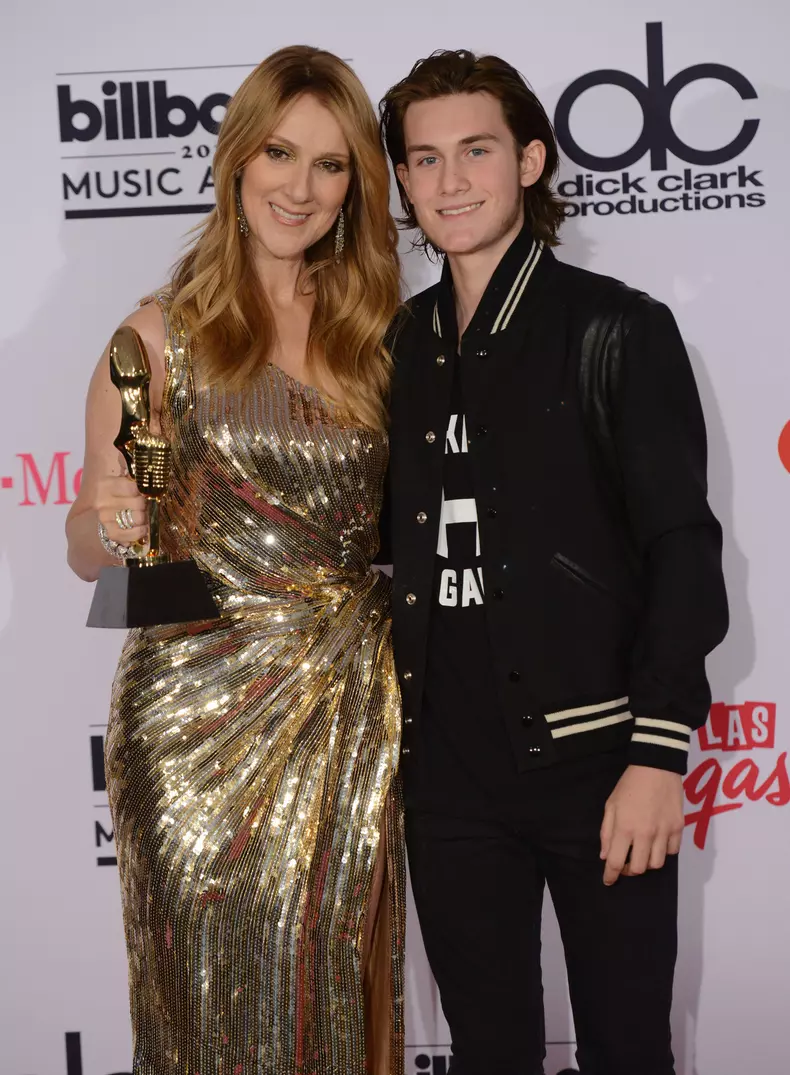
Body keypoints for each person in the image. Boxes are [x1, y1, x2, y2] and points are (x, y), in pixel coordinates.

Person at [378, 50, 728, 1075]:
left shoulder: (616, 328)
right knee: (488, 1054)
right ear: (401, 179)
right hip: (445, 780)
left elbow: (681, 546)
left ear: (529, 159)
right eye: (424, 158)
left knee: (626, 1050)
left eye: (475, 150)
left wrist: (658, 753)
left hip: (601, 768)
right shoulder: (393, 346)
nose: (449, 182)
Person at [66, 46, 404, 1075]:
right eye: (278, 152)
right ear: (236, 161)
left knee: (337, 984)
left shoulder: (383, 338)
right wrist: (112, 517)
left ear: (355, 188)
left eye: (331, 165)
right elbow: (89, 544)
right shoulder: (158, 337)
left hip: (348, 709)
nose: (298, 188)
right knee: (200, 1001)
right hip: (192, 715)